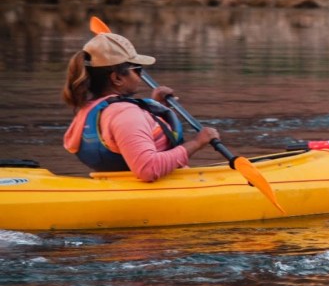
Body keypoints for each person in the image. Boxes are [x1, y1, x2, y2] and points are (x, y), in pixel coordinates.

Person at [62, 31, 221, 181]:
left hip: (120, 186)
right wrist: (197, 143)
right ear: (117, 78)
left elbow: (123, 141)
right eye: (137, 70)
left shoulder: (87, 109)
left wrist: (156, 107)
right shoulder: (126, 114)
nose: (140, 76)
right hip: (155, 191)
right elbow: (148, 169)